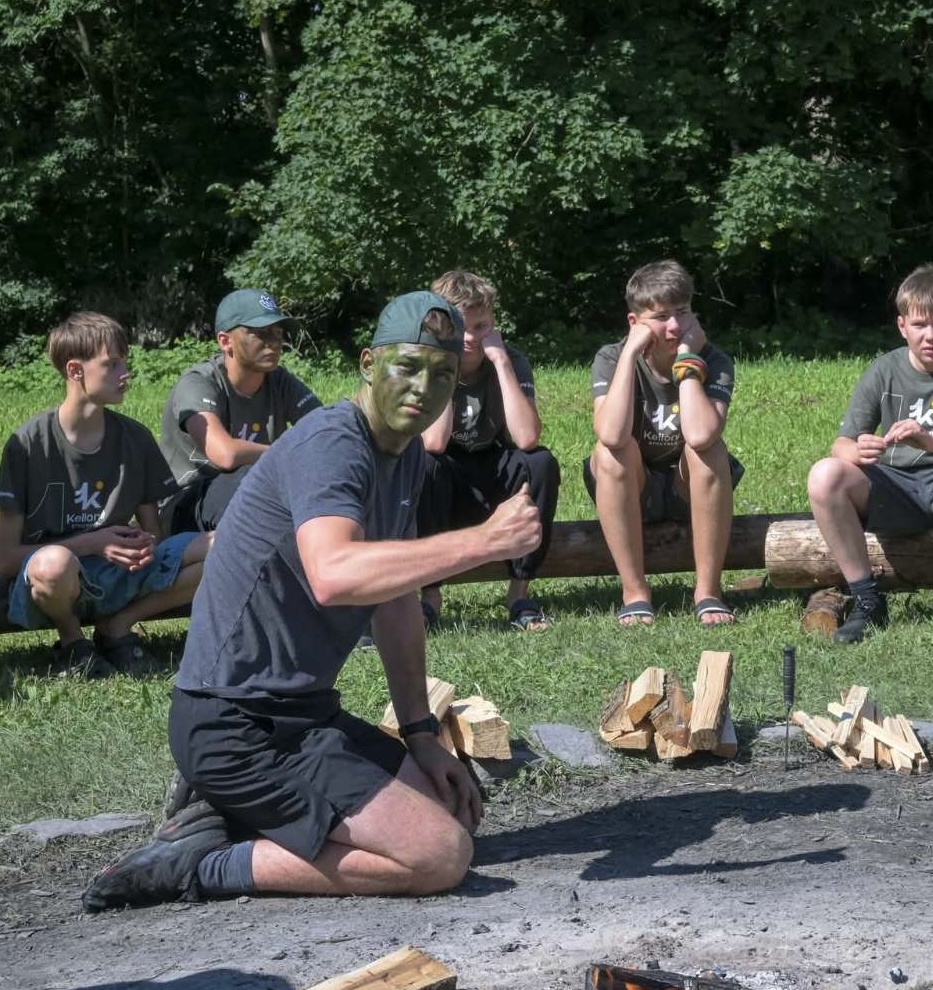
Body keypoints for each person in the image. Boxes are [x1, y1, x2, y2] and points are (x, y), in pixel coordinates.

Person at [82, 291, 542, 912]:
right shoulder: (333, 443)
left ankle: (225, 814)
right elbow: (334, 574)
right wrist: (482, 542)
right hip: (234, 723)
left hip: (305, 714)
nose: (423, 388)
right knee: (438, 855)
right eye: (407, 366)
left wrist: (420, 734)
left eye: (441, 374)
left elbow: (395, 599)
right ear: (368, 364)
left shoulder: (404, 454)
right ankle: (199, 865)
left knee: (454, 809)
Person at [0, 313, 212, 677]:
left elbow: (156, 535)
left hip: (119, 572)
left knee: (227, 545)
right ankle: (72, 643)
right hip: (51, 583)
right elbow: (5, 559)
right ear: (75, 370)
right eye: (112, 364)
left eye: (124, 362)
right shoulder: (29, 445)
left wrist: (140, 546)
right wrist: (94, 543)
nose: (125, 373)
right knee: (53, 564)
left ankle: (118, 626)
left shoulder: (135, 437)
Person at [807, 264, 933, 643]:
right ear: (902, 326)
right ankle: (867, 600)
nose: (930, 335)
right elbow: (841, 444)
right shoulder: (884, 368)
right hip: (892, 484)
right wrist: (859, 448)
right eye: (919, 325)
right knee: (824, 474)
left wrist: (931, 442)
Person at [584, 259, 742, 628]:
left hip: (688, 486)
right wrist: (629, 354)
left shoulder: (714, 359)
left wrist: (687, 360)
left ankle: (708, 590)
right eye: (660, 317)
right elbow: (611, 433)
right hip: (632, 485)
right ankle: (634, 591)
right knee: (611, 453)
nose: (674, 326)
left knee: (709, 450)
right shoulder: (611, 357)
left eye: (682, 312)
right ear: (634, 322)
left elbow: (700, 435)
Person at [417, 270, 560, 631]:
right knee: (425, 463)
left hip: (492, 464)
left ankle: (519, 592)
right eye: (460, 328)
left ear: (493, 322)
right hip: (446, 475)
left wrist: (501, 363)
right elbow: (434, 442)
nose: (470, 338)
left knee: (540, 462)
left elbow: (526, 438)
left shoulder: (510, 360)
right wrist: (446, 367)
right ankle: (430, 595)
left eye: (480, 327)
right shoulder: (427, 363)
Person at [159, 288, 321, 533]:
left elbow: (324, 432)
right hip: (188, 502)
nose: (274, 342)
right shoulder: (199, 383)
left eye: (278, 333)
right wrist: (289, 452)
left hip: (255, 487)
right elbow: (224, 454)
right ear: (226, 341)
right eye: (261, 333)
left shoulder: (280, 381)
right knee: (254, 483)